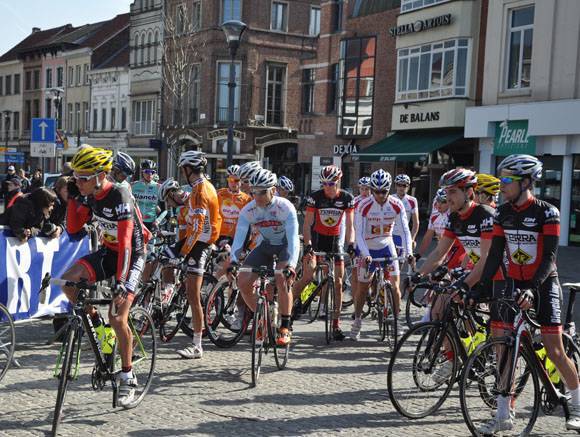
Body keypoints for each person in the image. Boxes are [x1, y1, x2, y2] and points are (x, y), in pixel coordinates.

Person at [468, 155, 580, 433]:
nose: (502, 185)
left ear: (527, 182)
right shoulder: (502, 213)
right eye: (501, 179)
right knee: (505, 348)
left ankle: (578, 405)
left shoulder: (547, 212)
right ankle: (503, 415)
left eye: (508, 179)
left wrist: (533, 288)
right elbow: (495, 255)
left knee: (554, 349)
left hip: (543, 283)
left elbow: (549, 258)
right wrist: (479, 287)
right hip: (513, 283)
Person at [62, 146, 150, 408]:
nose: (78, 182)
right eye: (75, 177)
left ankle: (128, 376)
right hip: (108, 252)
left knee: (118, 317)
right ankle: (99, 328)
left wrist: (121, 282)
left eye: (83, 178)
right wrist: (73, 198)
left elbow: (126, 243)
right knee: (69, 283)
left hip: (132, 256)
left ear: (101, 175)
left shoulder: (119, 194)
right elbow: (73, 229)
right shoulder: (89, 194)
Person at [229, 168, 299, 346]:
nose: (257, 196)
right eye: (254, 192)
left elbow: (293, 240)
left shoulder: (285, 207)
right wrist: (233, 261)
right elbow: (239, 239)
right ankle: (263, 316)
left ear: (273, 190)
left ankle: (285, 327)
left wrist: (291, 265)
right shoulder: (249, 210)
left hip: (285, 247)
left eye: (262, 192)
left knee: (282, 278)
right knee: (242, 281)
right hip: (265, 246)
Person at [166, 151, 221, 360]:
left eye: (183, 169)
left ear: (189, 169)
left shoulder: (200, 191)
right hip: (194, 240)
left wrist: (183, 253)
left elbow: (197, 228)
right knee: (162, 257)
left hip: (200, 244)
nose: (182, 173)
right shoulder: (202, 186)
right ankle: (165, 297)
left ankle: (197, 345)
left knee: (193, 295)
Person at [292, 165, 355, 340]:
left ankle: (336, 325)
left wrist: (351, 244)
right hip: (317, 239)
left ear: (338, 181)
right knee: (308, 275)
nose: (327, 187)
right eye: (324, 183)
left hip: (335, 241)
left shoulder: (347, 198)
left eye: (331, 183)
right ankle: (288, 310)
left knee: (338, 283)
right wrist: (308, 245)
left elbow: (350, 226)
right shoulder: (316, 197)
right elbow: (307, 224)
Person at [350, 170, 414, 340]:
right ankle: (357, 320)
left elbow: (405, 231)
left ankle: (397, 319)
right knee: (363, 287)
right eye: (376, 191)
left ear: (389, 189)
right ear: (371, 190)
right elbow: (359, 234)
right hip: (367, 247)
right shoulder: (364, 205)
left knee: (395, 286)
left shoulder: (396, 204)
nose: (380, 195)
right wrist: (365, 254)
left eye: (384, 191)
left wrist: (409, 252)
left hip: (387, 245)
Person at [217, 165, 252, 248]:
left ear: (241, 181)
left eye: (236, 180)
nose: (233, 183)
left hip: (236, 237)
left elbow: (248, 223)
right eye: (231, 180)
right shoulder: (219, 193)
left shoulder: (247, 199)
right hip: (219, 235)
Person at [392, 174, 420, 252]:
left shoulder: (412, 200)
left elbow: (416, 223)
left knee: (403, 259)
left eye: (404, 185)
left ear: (408, 187)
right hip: (390, 235)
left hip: (404, 235)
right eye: (399, 185)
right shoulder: (390, 199)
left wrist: (412, 239)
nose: (401, 188)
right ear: (395, 186)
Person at [132, 159, 160, 231]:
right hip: (136, 221)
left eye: (152, 172)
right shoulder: (134, 186)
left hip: (152, 222)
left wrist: (157, 221)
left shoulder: (158, 187)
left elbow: (165, 209)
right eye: (147, 171)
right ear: (142, 172)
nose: (150, 174)